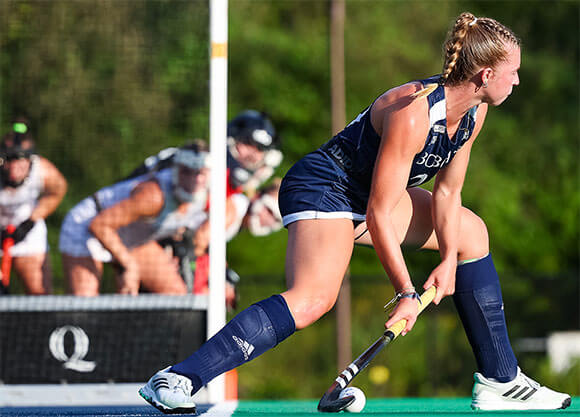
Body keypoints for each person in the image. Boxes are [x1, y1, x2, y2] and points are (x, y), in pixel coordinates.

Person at [139, 12, 571, 413]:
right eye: (513, 72)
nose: (516, 82)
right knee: (312, 300)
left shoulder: (475, 114)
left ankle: (501, 380)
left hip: (371, 196)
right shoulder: (414, 113)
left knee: (472, 234)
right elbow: (380, 214)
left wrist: (447, 261)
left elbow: (447, 194)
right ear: (486, 74)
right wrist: (406, 293)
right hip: (326, 187)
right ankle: (178, 378)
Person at [59, 142, 210, 296]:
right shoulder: (153, 196)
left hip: (133, 237)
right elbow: (99, 225)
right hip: (87, 226)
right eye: (187, 172)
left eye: (202, 172)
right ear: (175, 170)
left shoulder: (210, 196)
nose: (195, 180)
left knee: (176, 294)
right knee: (85, 303)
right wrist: (128, 265)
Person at [0, 119, 67, 295]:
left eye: (20, 161)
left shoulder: (44, 171)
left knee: (40, 293)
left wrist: (30, 222)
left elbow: (58, 192)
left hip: (27, 232)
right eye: (9, 160)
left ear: (31, 160)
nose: (14, 168)